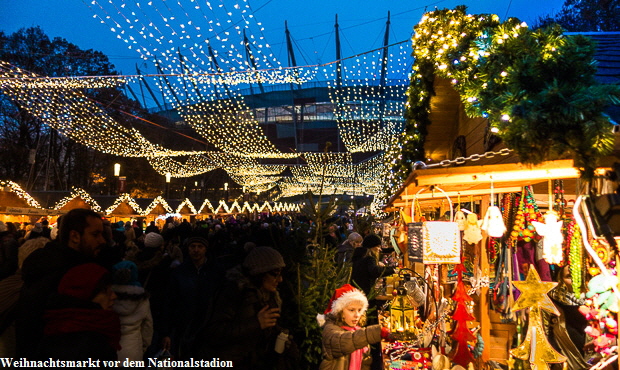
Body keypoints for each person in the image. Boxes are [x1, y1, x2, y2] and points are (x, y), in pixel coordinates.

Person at [16, 208, 107, 357]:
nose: (102, 240)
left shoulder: (45, 265)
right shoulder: (71, 275)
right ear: (75, 236)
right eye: (95, 234)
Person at [193, 246, 296, 369]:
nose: (280, 279)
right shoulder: (234, 292)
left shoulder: (269, 296)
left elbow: (266, 330)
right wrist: (256, 323)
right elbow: (214, 332)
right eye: (275, 274)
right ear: (260, 272)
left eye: (281, 273)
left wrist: (281, 337)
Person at [37, 263, 120, 360]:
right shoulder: (91, 345)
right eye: (105, 291)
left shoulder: (54, 326)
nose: (114, 296)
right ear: (85, 296)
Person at [317, 284, 388, 370]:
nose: (357, 315)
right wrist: (377, 332)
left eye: (359, 310)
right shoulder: (330, 329)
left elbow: (365, 362)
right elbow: (345, 341)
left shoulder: (357, 330)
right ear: (339, 311)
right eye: (351, 310)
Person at [161, 236, 211, 359]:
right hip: (184, 327)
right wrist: (166, 332)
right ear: (188, 249)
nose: (196, 250)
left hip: (208, 327)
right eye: (193, 246)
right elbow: (169, 302)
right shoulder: (179, 273)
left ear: (205, 249)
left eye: (200, 247)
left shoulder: (214, 271)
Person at [111, 260, 153, 362]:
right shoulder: (142, 298)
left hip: (111, 347)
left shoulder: (109, 297)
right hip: (133, 348)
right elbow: (147, 326)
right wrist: (144, 347)